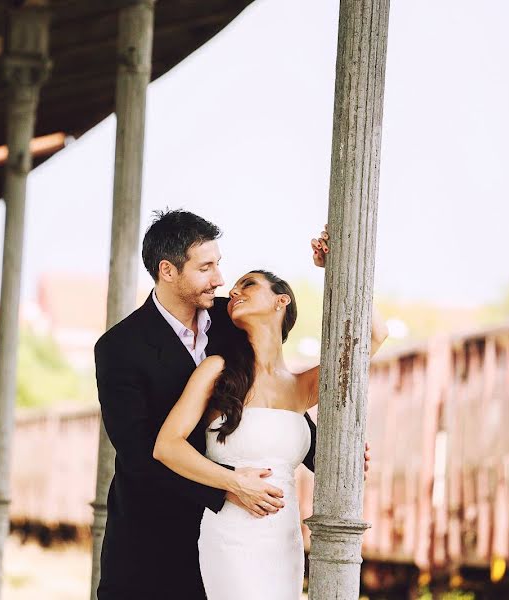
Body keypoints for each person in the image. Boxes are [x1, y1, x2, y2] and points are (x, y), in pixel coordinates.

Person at [94, 210, 321, 600]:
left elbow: (268, 394)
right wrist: (228, 489)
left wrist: (322, 451)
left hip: (244, 535)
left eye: (219, 264)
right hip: (153, 539)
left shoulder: (232, 318)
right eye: (206, 268)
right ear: (168, 270)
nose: (219, 280)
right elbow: (139, 455)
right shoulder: (119, 348)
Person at [153, 268, 387, 599]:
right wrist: (233, 481)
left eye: (247, 285)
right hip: (230, 535)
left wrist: (338, 265)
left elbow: (377, 334)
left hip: (284, 540)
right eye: (232, 290)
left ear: (281, 301)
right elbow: (167, 447)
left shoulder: (302, 386)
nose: (233, 292)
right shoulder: (216, 371)